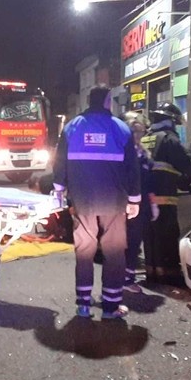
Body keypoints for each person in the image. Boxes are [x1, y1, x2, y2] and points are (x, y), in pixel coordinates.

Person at [52, 85, 141, 320]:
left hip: (82, 201)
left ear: (89, 101)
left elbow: (59, 162)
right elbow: (132, 168)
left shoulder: (72, 127)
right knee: (114, 253)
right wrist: (134, 199)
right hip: (114, 202)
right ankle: (111, 307)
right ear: (107, 101)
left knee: (84, 251)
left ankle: (83, 304)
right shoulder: (121, 128)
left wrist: (59, 190)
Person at [141, 103, 191, 284]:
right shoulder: (169, 139)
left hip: (145, 197)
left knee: (150, 235)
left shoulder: (145, 138)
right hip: (164, 196)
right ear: (170, 120)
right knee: (166, 235)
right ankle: (169, 275)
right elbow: (184, 164)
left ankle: (152, 272)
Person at [122, 111, 154, 294]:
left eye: (139, 131)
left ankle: (127, 276)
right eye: (133, 131)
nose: (137, 135)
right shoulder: (124, 152)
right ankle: (124, 279)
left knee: (134, 242)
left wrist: (152, 201)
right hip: (126, 203)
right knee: (126, 242)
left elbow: (148, 178)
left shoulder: (142, 151)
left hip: (141, 203)